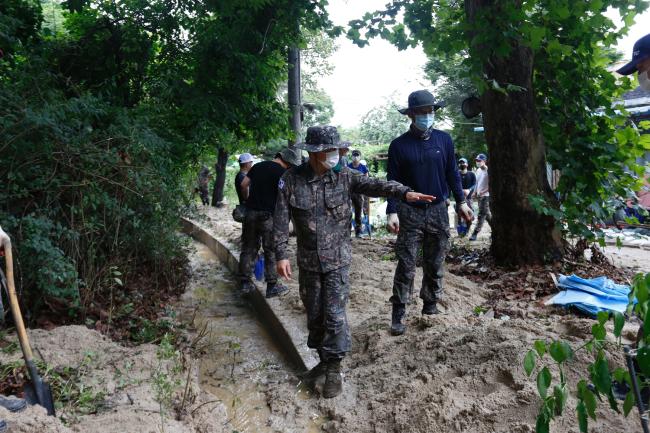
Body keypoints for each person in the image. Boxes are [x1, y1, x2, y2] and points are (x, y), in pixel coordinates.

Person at [274, 126, 433, 398]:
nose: (336, 155)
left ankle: (334, 369)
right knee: (314, 316)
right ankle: (323, 362)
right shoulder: (290, 180)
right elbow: (279, 218)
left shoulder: (345, 177)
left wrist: (404, 193)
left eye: (337, 150)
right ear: (315, 153)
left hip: (337, 262)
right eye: (330, 151)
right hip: (309, 263)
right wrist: (280, 254)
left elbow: (377, 184)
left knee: (335, 316)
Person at [386, 90, 472, 336]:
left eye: (431, 111)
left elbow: (452, 173)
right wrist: (392, 211)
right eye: (422, 112)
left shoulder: (444, 140)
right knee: (406, 263)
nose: (427, 116)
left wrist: (461, 201)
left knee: (435, 261)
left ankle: (430, 305)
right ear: (412, 115)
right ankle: (399, 311)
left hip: (438, 210)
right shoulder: (399, 145)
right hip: (410, 212)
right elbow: (393, 182)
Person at [238, 148, 301, 298]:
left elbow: (243, 185)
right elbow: (286, 196)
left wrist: (246, 201)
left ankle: (245, 283)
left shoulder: (257, 166)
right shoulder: (283, 173)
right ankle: (272, 286)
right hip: (269, 216)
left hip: (250, 214)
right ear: (287, 162)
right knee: (270, 250)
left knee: (249, 247)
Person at [469, 153, 491, 241]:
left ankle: (475, 233)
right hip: (479, 196)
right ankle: (496, 229)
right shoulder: (478, 170)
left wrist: (483, 192)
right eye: (476, 160)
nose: (477, 162)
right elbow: (477, 183)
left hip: (486, 196)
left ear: (484, 161)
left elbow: (491, 184)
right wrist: (474, 192)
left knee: (481, 214)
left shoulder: (488, 171)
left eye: (479, 160)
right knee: (487, 215)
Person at [348, 150, 369, 238]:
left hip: (359, 193)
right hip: (349, 192)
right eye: (354, 155)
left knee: (358, 212)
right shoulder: (348, 166)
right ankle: (347, 232)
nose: (355, 157)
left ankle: (358, 232)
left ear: (360, 157)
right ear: (351, 156)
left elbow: (367, 179)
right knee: (347, 212)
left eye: (357, 156)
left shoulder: (363, 167)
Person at [456, 158, 476, 237]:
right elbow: (454, 184)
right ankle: (461, 232)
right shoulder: (456, 174)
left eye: (463, 163)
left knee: (469, 215)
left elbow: (474, 184)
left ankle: (467, 230)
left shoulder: (471, 174)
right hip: (459, 199)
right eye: (460, 163)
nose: (461, 164)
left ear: (467, 164)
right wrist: (461, 190)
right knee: (459, 216)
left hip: (469, 198)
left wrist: (469, 190)